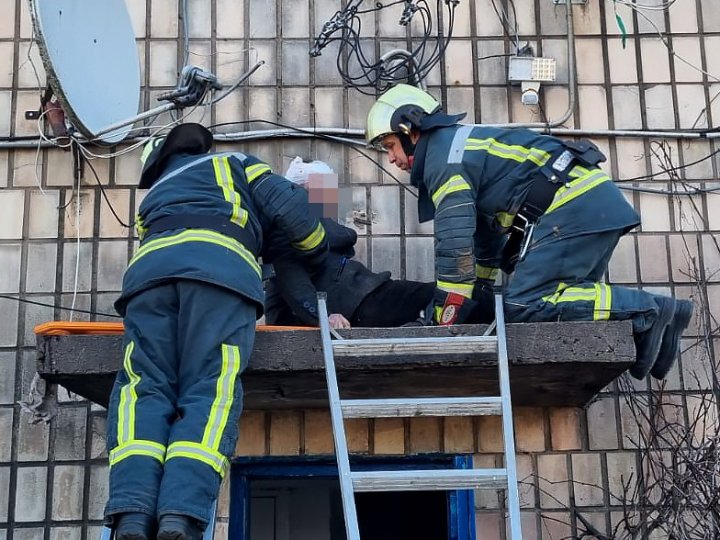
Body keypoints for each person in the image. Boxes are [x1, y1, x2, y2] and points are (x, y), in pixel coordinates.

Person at [365, 83, 693, 380]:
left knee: (524, 305)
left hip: (572, 208)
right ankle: (651, 328)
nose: (392, 158)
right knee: (569, 301)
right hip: (587, 204)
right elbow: (485, 240)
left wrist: (440, 321)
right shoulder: (458, 150)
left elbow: (455, 248)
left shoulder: (443, 160)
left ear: (413, 130)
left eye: (391, 145)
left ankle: (648, 309)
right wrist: (478, 291)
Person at [105, 123, 328, 540]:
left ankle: (132, 515)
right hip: (219, 279)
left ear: (159, 164)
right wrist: (318, 252)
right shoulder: (234, 163)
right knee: (208, 387)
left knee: (144, 388)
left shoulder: (153, 195)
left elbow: (163, 245)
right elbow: (292, 208)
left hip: (146, 284)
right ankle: (180, 516)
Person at [262, 158, 495, 328]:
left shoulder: (316, 233)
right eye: (322, 191)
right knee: (439, 297)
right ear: (299, 194)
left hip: (367, 294)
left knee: (444, 296)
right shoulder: (287, 233)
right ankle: (513, 311)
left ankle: (506, 310)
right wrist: (325, 317)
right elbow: (292, 285)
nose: (329, 200)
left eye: (330, 192)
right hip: (360, 302)